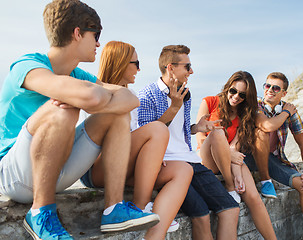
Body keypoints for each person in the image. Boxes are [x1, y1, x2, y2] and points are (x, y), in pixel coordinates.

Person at [0, 1, 159, 239]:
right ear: (77, 33)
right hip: (16, 176)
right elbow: (90, 95)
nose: (98, 43)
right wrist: (84, 99)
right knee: (63, 110)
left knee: (116, 114)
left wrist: (89, 99)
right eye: (95, 35)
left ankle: (114, 209)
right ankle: (40, 214)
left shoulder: (76, 74)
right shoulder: (28, 66)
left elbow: (129, 98)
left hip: (58, 170)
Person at [79, 41, 194, 240]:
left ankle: (153, 235)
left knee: (184, 170)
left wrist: (152, 155)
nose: (139, 69)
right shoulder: (98, 93)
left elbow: (134, 137)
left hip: (125, 165)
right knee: (158, 129)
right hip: (98, 169)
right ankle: (142, 205)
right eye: (136, 63)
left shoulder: (130, 95)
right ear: (121, 63)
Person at [138, 45, 240, 240]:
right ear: (171, 68)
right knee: (201, 216)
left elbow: (177, 131)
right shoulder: (147, 95)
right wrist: (174, 107)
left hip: (190, 160)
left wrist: (196, 128)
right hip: (167, 165)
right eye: (187, 66)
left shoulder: (185, 94)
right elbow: (146, 134)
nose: (191, 71)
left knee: (231, 209)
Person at [196, 71, 277, 240]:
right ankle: (230, 186)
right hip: (208, 157)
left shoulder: (244, 114)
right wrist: (232, 167)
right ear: (228, 87)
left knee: (254, 197)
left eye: (242, 95)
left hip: (229, 158)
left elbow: (234, 148)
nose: (236, 97)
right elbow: (202, 138)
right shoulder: (210, 102)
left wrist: (238, 169)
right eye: (233, 91)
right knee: (216, 134)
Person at [246, 72, 303, 240]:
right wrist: (285, 113)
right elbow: (267, 126)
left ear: (283, 93)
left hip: (273, 159)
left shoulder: (290, 110)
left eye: (276, 88)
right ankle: (265, 181)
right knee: (261, 133)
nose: (270, 90)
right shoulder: (256, 105)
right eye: (267, 86)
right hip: (248, 157)